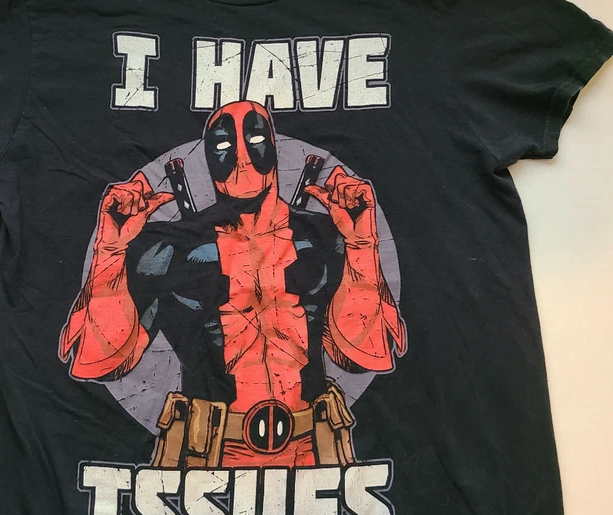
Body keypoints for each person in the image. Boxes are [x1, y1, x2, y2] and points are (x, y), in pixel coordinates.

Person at [59, 100, 406, 468]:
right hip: (202, 453)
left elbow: (362, 356)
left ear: (273, 145)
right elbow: (100, 362)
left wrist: (362, 244)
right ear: (208, 158)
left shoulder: (326, 238)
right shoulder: (168, 249)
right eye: (224, 145)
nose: (241, 158)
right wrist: (110, 250)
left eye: (254, 139)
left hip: (317, 449)